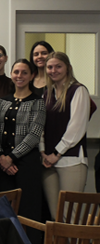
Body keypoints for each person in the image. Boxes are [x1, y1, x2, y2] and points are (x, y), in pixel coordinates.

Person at [0, 58, 45, 242]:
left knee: (28, 210)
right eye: (16, 72)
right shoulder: (1, 102)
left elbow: (34, 135)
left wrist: (12, 157)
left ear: (32, 75)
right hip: (2, 165)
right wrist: (1, 156)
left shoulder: (37, 102)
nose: (19, 76)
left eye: (24, 72)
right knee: (7, 209)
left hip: (27, 163)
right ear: (11, 74)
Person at [41, 51, 92, 218]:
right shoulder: (46, 93)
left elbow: (76, 127)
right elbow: (40, 124)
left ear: (68, 68)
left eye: (58, 66)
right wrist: (43, 152)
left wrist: (57, 153)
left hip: (71, 160)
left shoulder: (78, 91)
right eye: (50, 67)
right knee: (55, 215)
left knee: (70, 215)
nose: (53, 70)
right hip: (48, 161)